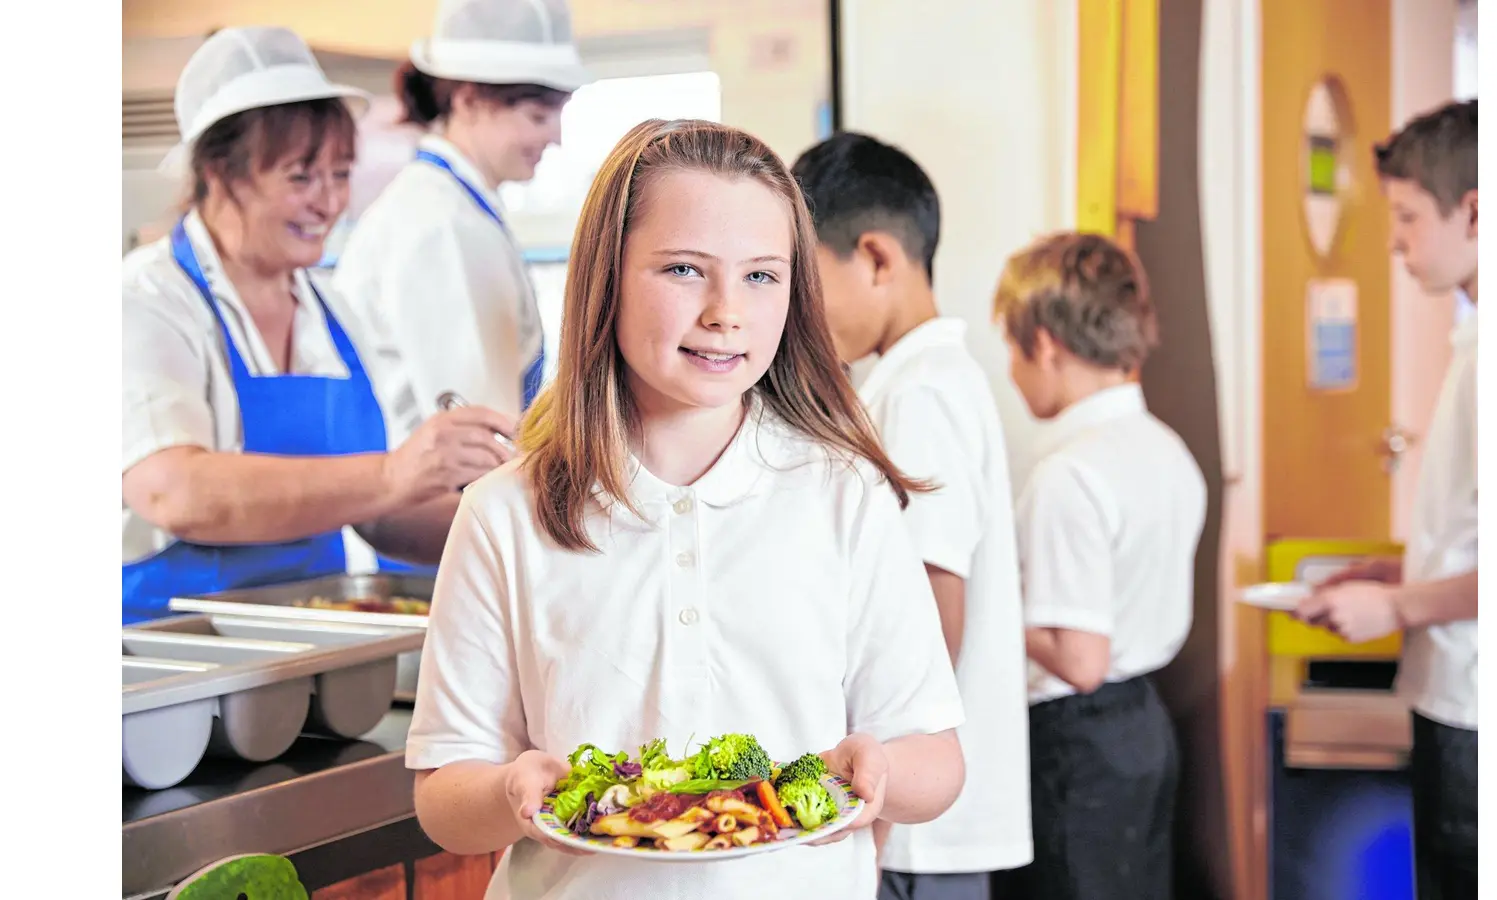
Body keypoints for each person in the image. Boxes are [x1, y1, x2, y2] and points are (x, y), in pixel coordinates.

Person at [405, 119, 969, 899]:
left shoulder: (844, 493)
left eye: (762, 276)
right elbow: (442, 798)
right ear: (607, 278)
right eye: (682, 270)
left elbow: (937, 761)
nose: (726, 311)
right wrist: (508, 790)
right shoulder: (506, 511)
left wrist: (881, 768)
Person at [121, 27, 515, 625]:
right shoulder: (146, 299)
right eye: (301, 177)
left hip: (304, 640)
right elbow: (172, 490)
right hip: (164, 649)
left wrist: (520, 529)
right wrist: (395, 470)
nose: (329, 203)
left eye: (339, 174)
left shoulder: (334, 314)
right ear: (220, 174)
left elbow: (378, 512)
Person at [791, 132, 1032, 900]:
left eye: (804, 280)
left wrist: (887, 790)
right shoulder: (917, 381)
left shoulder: (920, 393)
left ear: (876, 258)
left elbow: (934, 602)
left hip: (920, 823)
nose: (796, 309)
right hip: (913, 800)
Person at [1295, 98, 1478, 900]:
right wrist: (1393, 570)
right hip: (1453, 697)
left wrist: (1397, 606)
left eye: (1407, 216)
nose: (1396, 242)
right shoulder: (1474, 341)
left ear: (1474, 211)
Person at [987, 232, 1205, 900]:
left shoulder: (1068, 474)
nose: (1012, 372)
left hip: (1074, 745)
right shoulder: (1166, 448)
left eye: (1011, 350)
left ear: (1045, 344)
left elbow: (1079, 659)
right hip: (1144, 724)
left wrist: (988, 603)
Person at [334, 0, 591, 445]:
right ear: (469, 100)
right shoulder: (443, 225)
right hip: (445, 505)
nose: (556, 137)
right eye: (537, 115)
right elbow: (481, 432)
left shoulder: (453, 205)